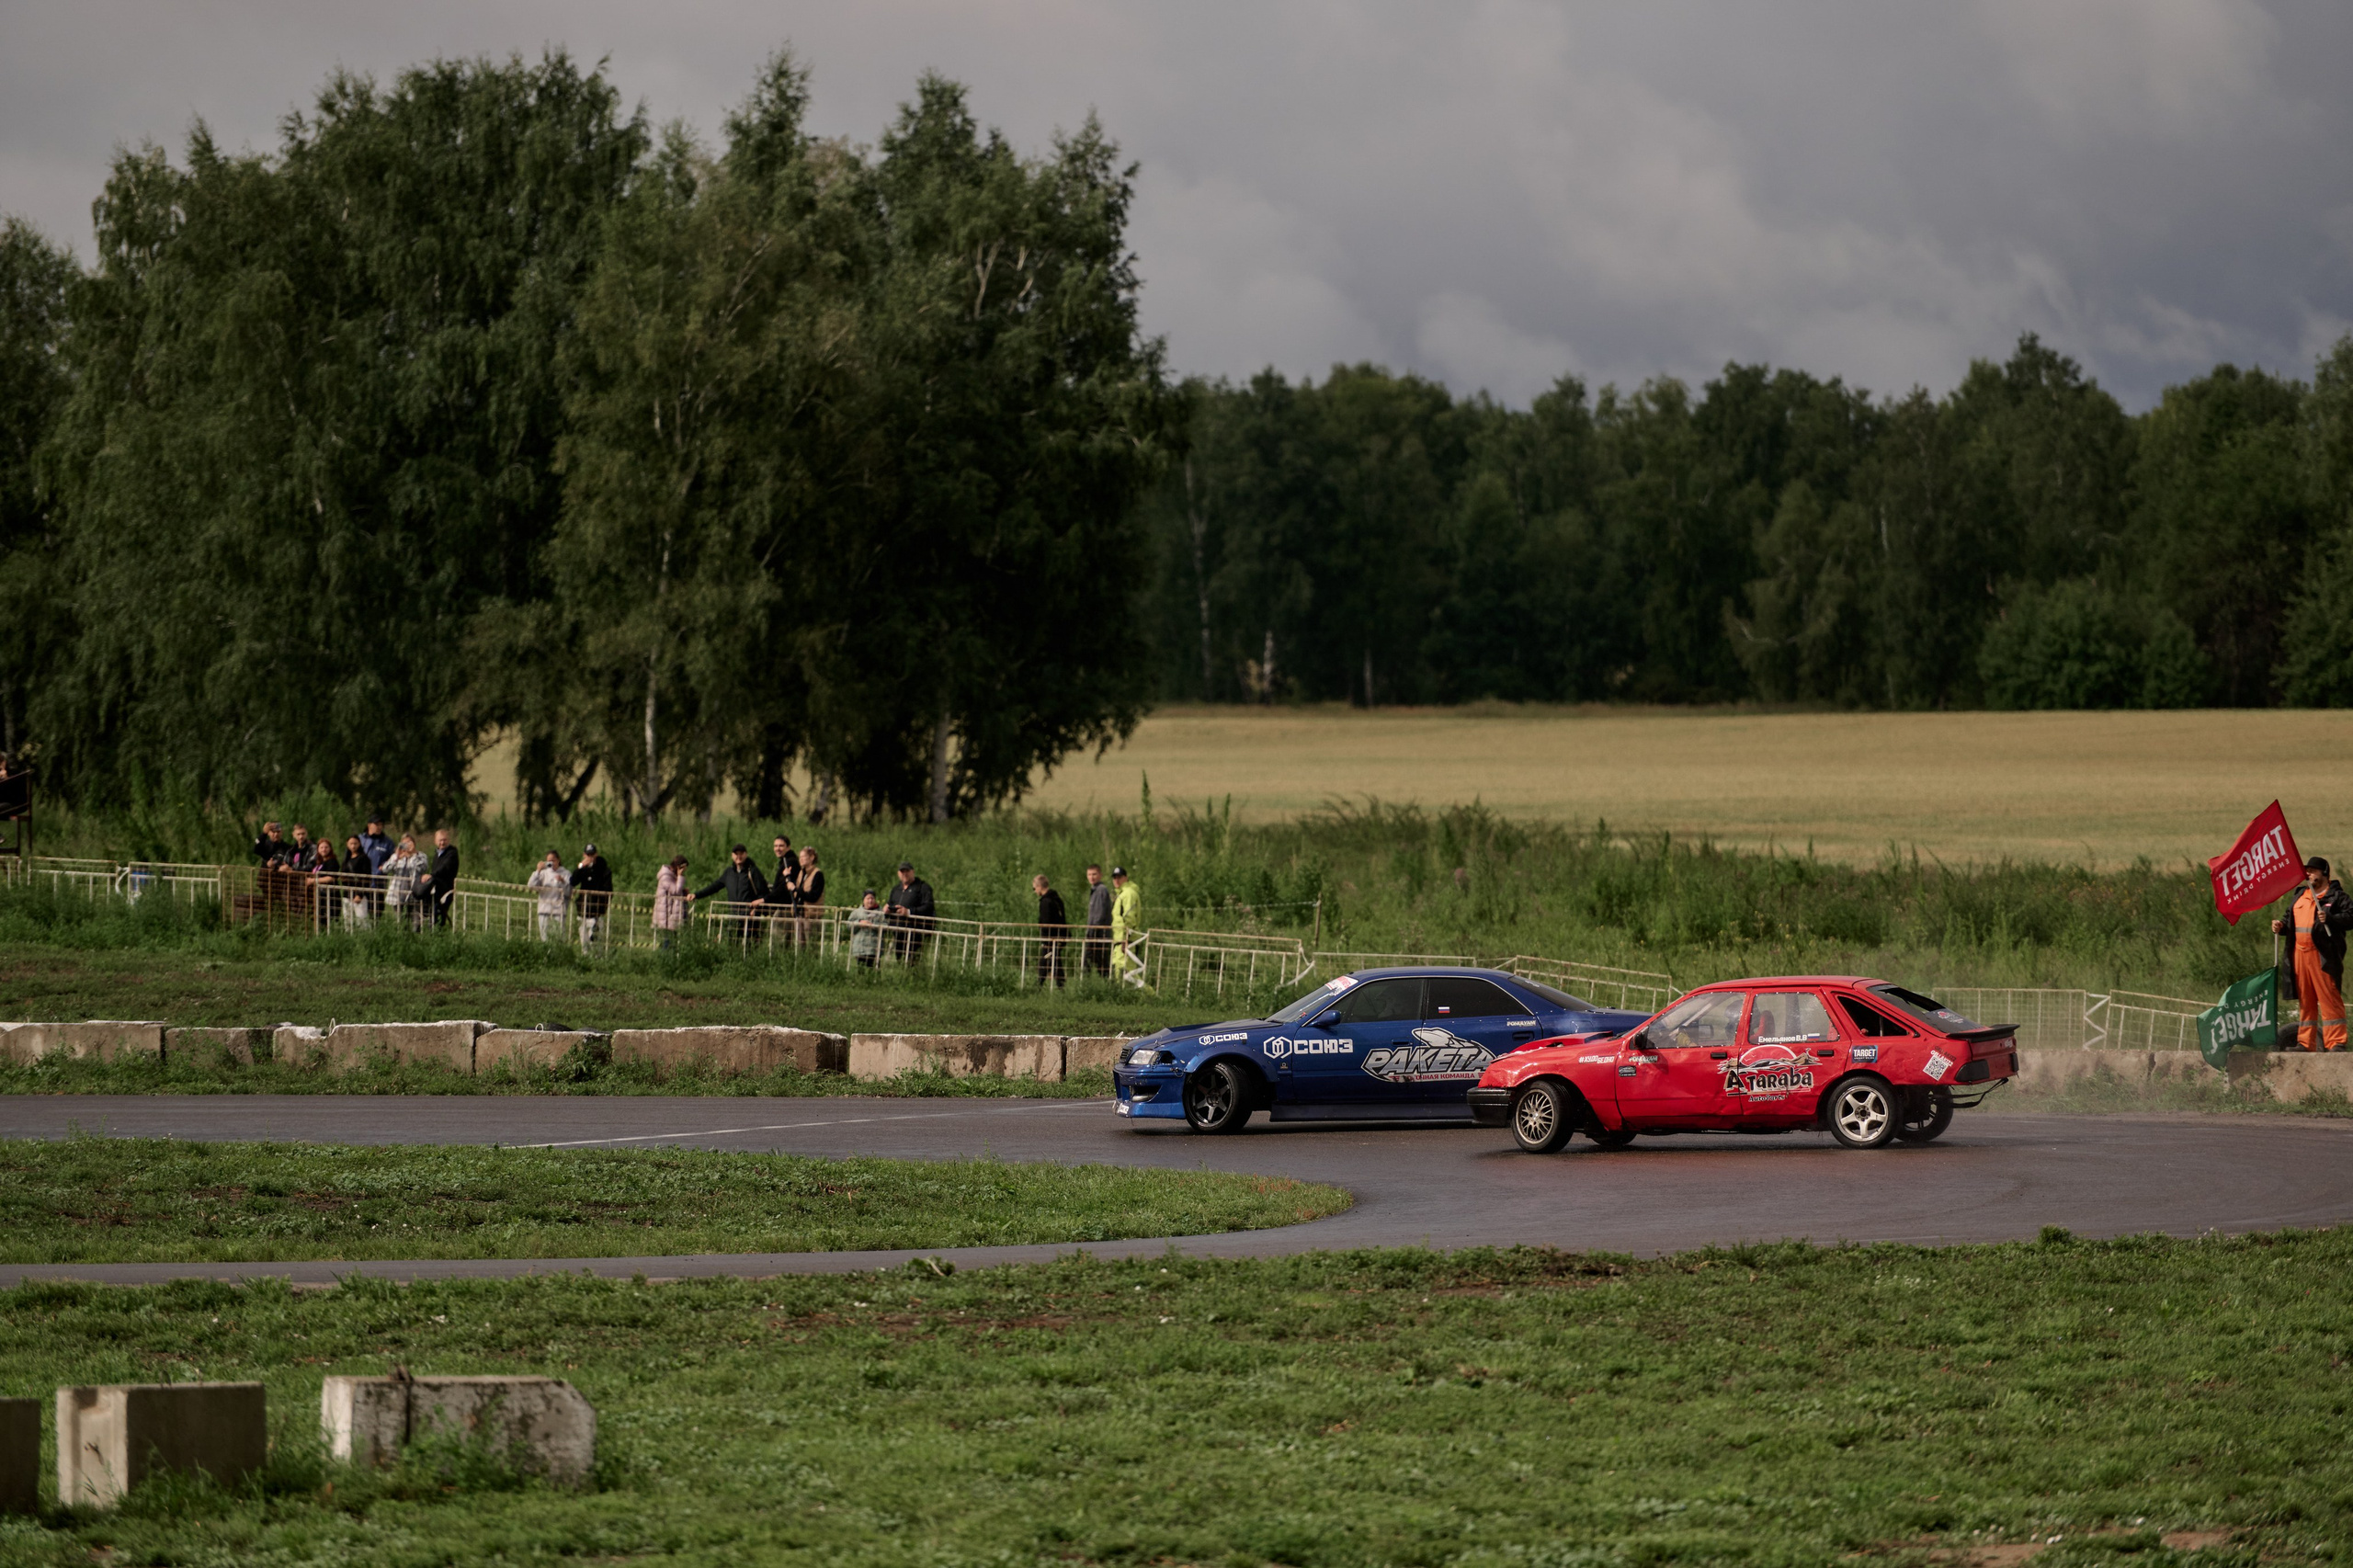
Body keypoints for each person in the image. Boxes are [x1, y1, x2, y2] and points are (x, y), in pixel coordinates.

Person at [2275, 857, 2353, 1052]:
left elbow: (2350, 918)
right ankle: (2305, 1043)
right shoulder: (2300, 895)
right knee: (2305, 1001)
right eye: (2307, 871)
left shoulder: (2338, 897)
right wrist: (2280, 926)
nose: (2308, 874)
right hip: (2299, 956)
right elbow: (2289, 920)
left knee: (2329, 999)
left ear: (2325, 873)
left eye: (2312, 870)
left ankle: (2336, 1043)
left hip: (2323, 956)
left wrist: (2331, 918)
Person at [690, 843, 769, 946]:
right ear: (732, 856)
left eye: (741, 853)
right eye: (736, 854)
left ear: (746, 854)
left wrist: (756, 910)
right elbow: (715, 886)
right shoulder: (729, 872)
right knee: (732, 943)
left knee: (750, 945)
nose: (739, 856)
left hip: (750, 916)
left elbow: (763, 892)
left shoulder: (753, 871)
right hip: (734, 915)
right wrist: (697, 895)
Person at [885, 860, 935, 961]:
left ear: (913, 872)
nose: (905, 874)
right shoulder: (896, 889)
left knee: (913, 961)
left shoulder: (923, 888)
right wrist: (887, 909)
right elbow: (890, 903)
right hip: (898, 932)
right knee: (899, 959)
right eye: (902, 871)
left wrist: (908, 912)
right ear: (898, 873)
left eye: (907, 871)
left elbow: (929, 907)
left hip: (916, 932)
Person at [415, 828, 459, 928]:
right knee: (431, 915)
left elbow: (445, 867)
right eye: (440, 840)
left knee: (438, 917)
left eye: (445, 840)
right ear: (435, 841)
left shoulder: (452, 853)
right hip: (436, 890)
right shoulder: (437, 854)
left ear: (449, 840)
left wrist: (432, 875)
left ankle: (438, 938)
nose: (442, 843)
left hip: (445, 891)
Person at [574, 843, 613, 951]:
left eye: (592, 855)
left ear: (596, 854)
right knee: (584, 943)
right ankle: (585, 963)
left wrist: (601, 908)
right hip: (583, 911)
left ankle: (597, 964)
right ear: (584, 855)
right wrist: (581, 866)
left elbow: (609, 891)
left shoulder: (604, 870)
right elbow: (573, 881)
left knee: (596, 944)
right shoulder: (583, 869)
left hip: (596, 913)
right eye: (588, 855)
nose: (590, 857)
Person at [1110, 865, 1144, 987]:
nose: (1116, 880)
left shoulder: (1128, 894)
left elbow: (1129, 918)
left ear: (1126, 878)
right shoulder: (1122, 894)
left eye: (1119, 877)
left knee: (1128, 974)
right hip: (1121, 940)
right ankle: (1125, 998)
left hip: (1126, 941)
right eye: (1114, 878)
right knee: (1123, 972)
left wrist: (1125, 939)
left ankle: (1151, 997)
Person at [381, 834, 426, 926]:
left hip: (414, 895)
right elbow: (385, 869)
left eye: (409, 843)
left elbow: (421, 868)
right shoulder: (396, 856)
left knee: (416, 924)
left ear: (414, 844)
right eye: (404, 843)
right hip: (397, 895)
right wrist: (397, 857)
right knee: (400, 924)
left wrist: (412, 855)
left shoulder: (420, 856)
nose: (406, 846)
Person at [1034, 873, 1068, 989]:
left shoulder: (1045, 902)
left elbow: (1045, 921)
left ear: (1039, 887)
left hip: (1049, 938)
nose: (1034, 891)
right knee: (1054, 961)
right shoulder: (1057, 899)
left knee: (1045, 962)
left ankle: (1038, 987)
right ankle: (1061, 987)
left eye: (1034, 888)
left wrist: (1044, 939)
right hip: (1060, 936)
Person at [528, 851, 570, 942]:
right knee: (545, 938)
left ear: (558, 860)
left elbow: (569, 892)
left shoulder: (566, 873)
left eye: (553, 860)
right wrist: (538, 871)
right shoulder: (543, 873)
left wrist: (563, 882)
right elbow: (531, 886)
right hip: (544, 910)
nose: (551, 863)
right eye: (548, 861)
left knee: (559, 938)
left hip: (559, 911)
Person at [1082, 862, 1112, 978]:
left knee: (1090, 962)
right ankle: (1104, 986)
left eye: (1094, 874)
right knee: (1099, 963)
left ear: (1100, 875)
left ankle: (1086, 987)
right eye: (1089, 874)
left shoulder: (1100, 890)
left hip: (1098, 934)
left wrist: (1093, 932)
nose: (1091, 877)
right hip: (1097, 932)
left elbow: (1099, 915)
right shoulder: (1095, 890)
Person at [654, 854, 689, 949]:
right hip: (666, 915)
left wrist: (683, 891)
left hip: (671, 914)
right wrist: (680, 876)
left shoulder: (672, 876)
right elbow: (675, 891)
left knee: (671, 941)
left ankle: (668, 959)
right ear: (678, 867)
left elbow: (675, 891)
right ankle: (664, 960)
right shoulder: (666, 877)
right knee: (667, 941)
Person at [793, 846, 825, 950]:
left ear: (812, 858)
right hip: (800, 914)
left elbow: (813, 896)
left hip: (812, 915)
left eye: (804, 856)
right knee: (799, 946)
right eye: (800, 857)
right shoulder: (801, 873)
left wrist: (796, 889)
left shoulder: (818, 874)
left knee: (812, 947)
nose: (801, 859)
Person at [339, 834, 375, 928]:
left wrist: (360, 894)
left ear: (359, 844)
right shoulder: (346, 859)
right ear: (347, 844)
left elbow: (367, 878)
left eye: (355, 843)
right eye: (351, 843)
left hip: (360, 894)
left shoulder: (363, 858)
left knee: (362, 919)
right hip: (347, 893)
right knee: (347, 919)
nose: (353, 846)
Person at [847, 889, 886, 968]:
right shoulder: (856, 912)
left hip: (875, 948)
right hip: (860, 948)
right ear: (863, 900)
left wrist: (873, 925)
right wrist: (859, 923)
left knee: (874, 970)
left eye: (872, 898)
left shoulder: (881, 913)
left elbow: (885, 926)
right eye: (868, 898)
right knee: (861, 970)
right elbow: (849, 925)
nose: (870, 901)